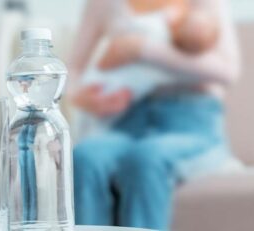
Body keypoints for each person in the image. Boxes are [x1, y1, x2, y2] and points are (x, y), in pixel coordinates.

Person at [68, 0, 240, 230]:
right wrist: (84, 98)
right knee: (84, 157)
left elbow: (228, 71)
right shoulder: (102, 4)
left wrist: (140, 49)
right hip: (125, 122)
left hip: (190, 124)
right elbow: (73, 70)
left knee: (147, 158)